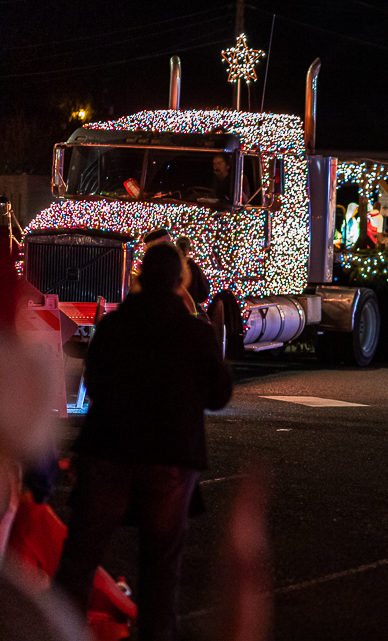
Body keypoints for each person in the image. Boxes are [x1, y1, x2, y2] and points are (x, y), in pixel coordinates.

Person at [53, 243, 232, 641]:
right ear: (180, 280)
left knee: (80, 558)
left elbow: (92, 381)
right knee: (160, 569)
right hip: (171, 457)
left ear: (138, 278)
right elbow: (219, 396)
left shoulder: (114, 327)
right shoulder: (196, 332)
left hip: (109, 450)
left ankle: (57, 632)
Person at [175, 237, 210, 307]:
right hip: (191, 306)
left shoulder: (172, 265)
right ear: (190, 249)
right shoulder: (192, 265)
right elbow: (203, 291)